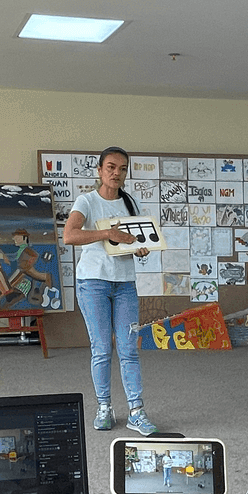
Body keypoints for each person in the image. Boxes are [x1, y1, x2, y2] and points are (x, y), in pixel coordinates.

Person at [62, 147, 157, 434]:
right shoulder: (87, 201)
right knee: (102, 348)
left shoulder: (131, 203)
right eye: (111, 167)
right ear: (100, 170)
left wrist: (140, 249)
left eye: (123, 168)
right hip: (93, 282)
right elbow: (69, 236)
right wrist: (107, 233)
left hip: (125, 282)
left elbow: (135, 240)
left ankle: (136, 411)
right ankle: (104, 406)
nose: (117, 173)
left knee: (129, 348)